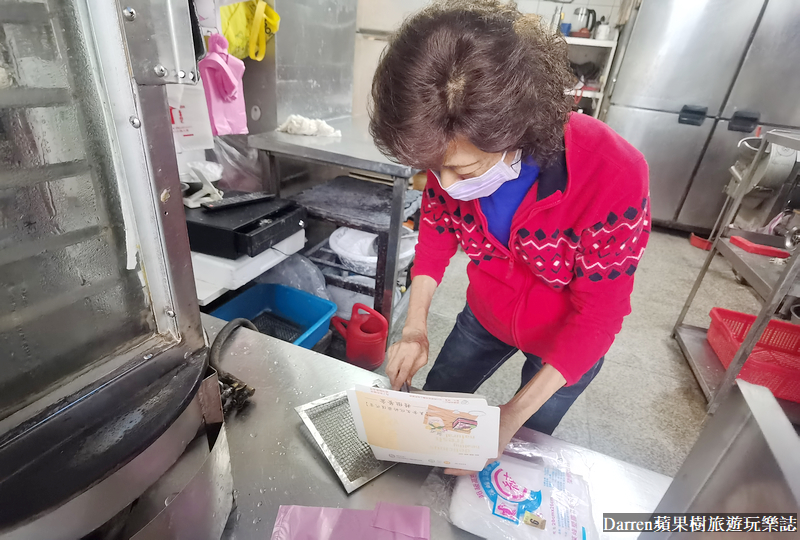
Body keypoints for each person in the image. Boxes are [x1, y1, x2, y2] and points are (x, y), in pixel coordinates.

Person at [369, 0, 650, 473]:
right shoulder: (446, 154)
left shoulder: (612, 173)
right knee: (432, 417)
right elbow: (437, 232)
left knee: (524, 447)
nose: (446, 185)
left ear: (519, 129)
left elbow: (598, 317)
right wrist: (415, 328)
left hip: (565, 340)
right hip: (485, 317)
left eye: (464, 169)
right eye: (434, 169)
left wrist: (511, 418)